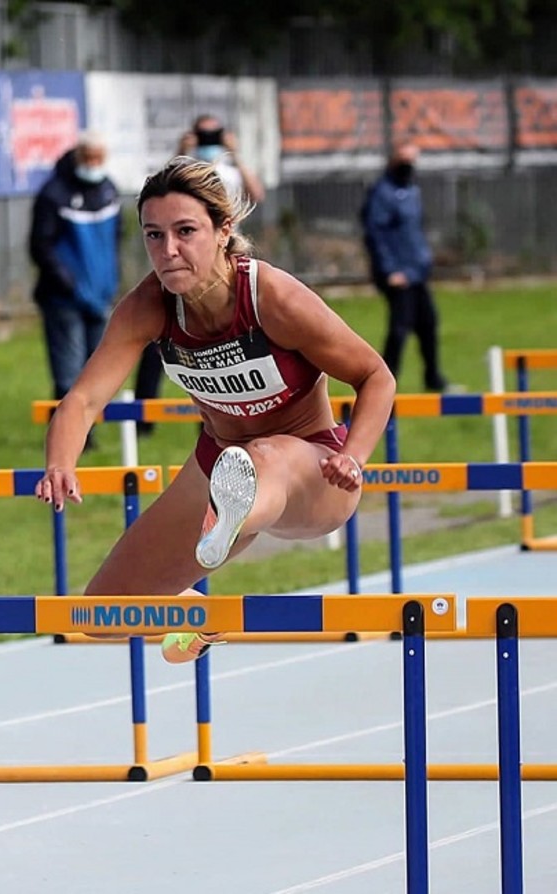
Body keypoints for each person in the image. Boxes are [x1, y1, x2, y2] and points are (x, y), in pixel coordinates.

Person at [35, 156, 395, 664]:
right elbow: (84, 398)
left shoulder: (271, 297)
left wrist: (354, 456)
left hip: (312, 470)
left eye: (185, 232)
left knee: (261, 458)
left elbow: (376, 375)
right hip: (217, 462)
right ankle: (192, 610)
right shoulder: (149, 306)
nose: (169, 251)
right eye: (153, 236)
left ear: (224, 230)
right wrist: (60, 462)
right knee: (103, 615)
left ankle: (233, 516)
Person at [133, 114, 265, 436]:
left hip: (225, 262)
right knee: (164, 339)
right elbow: (158, 195)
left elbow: (257, 194)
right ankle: (144, 417)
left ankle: (218, 419)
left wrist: (237, 155)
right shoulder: (179, 176)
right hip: (184, 275)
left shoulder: (230, 170)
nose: (208, 141)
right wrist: (179, 153)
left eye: (213, 134)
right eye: (155, 235)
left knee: (227, 344)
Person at [29, 130, 122, 445]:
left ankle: (87, 430)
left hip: (101, 296)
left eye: (100, 158)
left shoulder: (109, 190)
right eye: (89, 158)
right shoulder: (54, 194)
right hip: (63, 299)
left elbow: (115, 242)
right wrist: (69, 284)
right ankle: (70, 439)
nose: (94, 164)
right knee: (69, 373)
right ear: (78, 156)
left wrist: (109, 282)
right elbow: (40, 247)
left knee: (95, 371)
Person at [361, 140, 449, 392]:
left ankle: (433, 379)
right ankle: (383, 384)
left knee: (428, 323)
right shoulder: (382, 192)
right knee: (400, 328)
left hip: (416, 272)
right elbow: (375, 234)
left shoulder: (411, 190)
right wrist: (389, 270)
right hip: (398, 274)